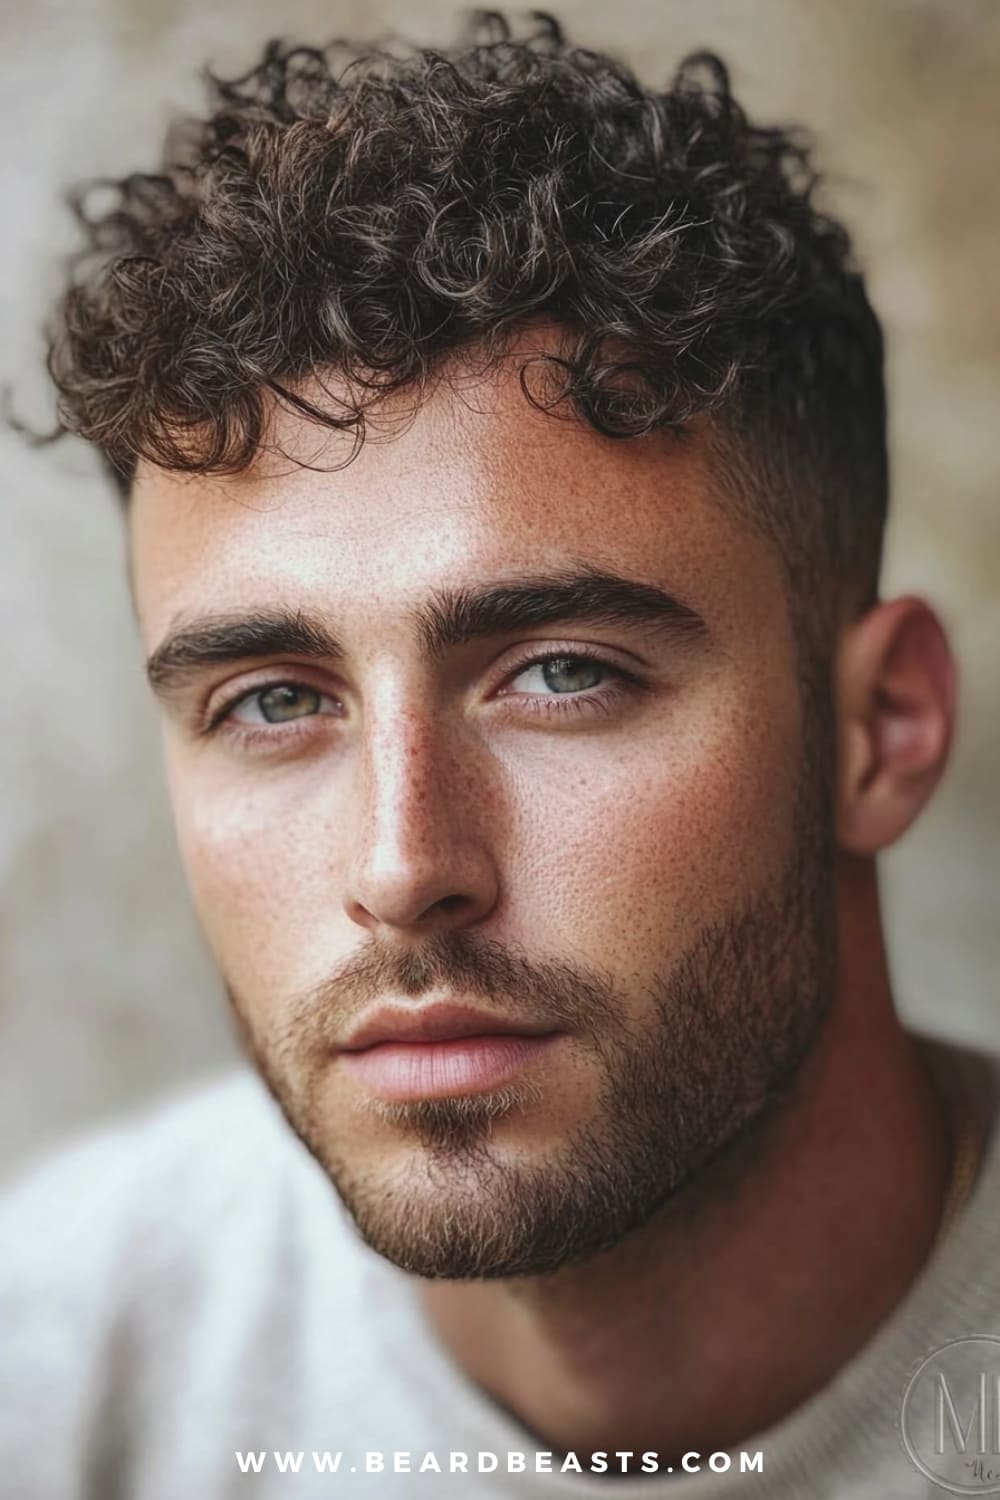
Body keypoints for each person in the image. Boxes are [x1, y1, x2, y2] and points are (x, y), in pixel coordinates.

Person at [2, 12, 997, 1498]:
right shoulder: (65, 1364)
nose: (404, 869)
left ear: (881, 729)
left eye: (563, 673)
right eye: (274, 702)